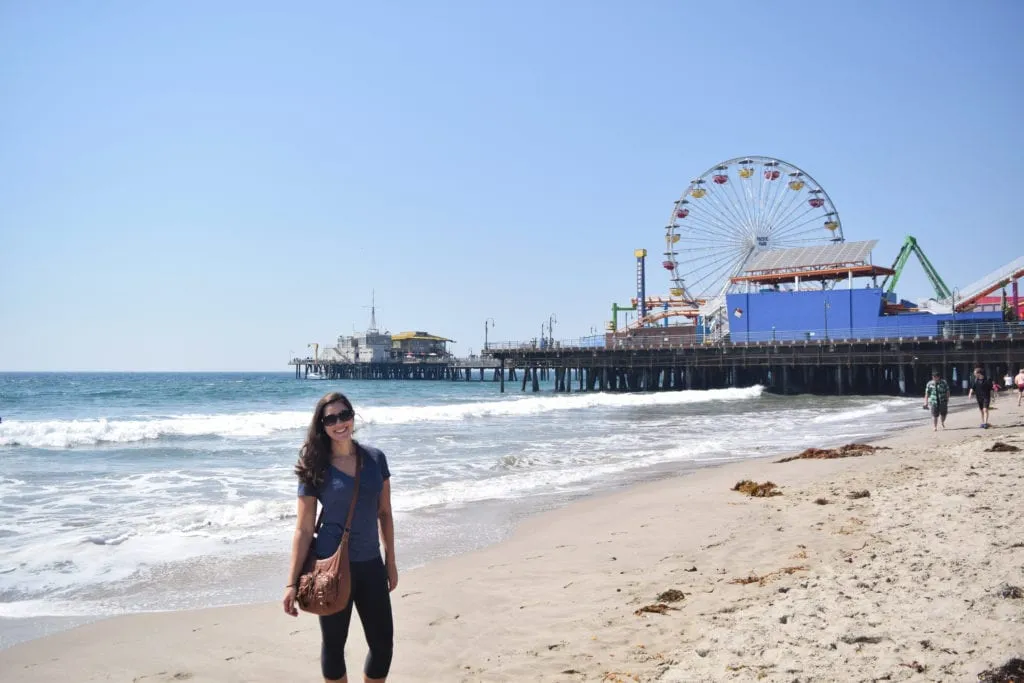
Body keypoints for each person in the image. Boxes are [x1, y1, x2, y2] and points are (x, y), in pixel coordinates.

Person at [283, 392, 396, 683]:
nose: (339, 423)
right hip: (330, 569)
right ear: (322, 425)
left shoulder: (374, 459)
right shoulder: (314, 465)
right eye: (330, 418)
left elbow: (384, 513)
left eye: (344, 415)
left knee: (383, 646)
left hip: (371, 564)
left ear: (353, 416)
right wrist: (291, 582)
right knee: (334, 646)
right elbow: (304, 529)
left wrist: (391, 561)